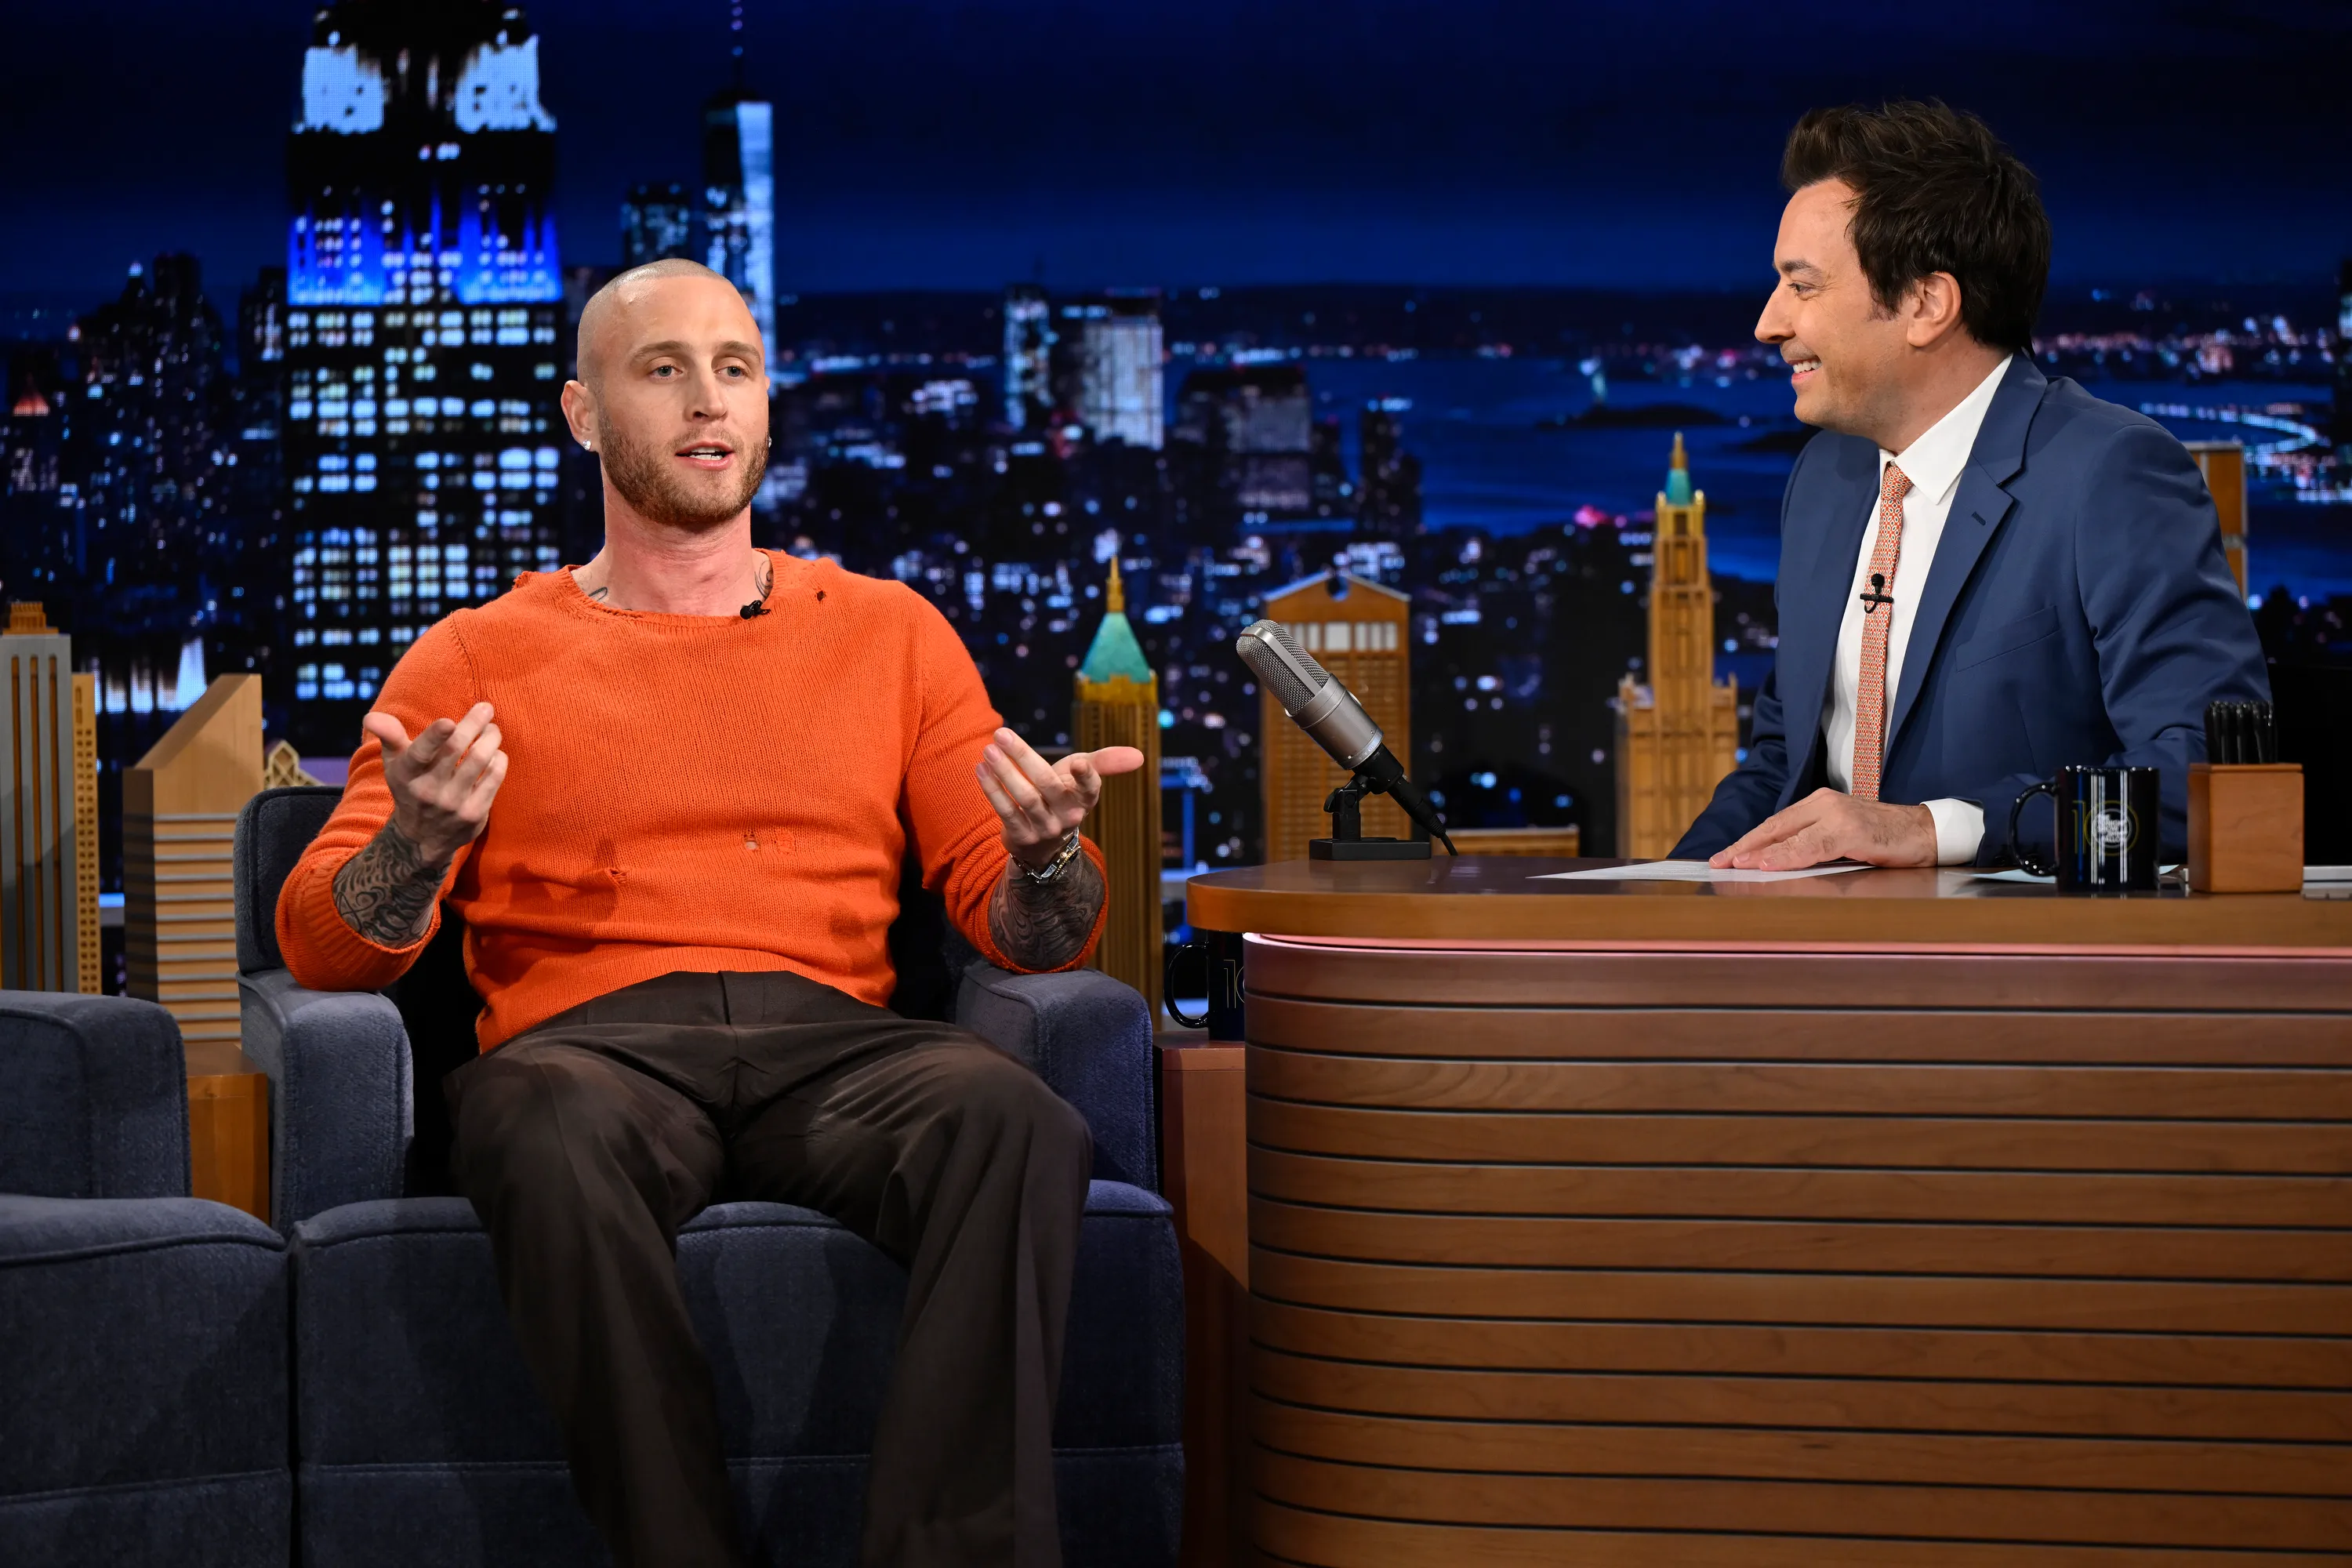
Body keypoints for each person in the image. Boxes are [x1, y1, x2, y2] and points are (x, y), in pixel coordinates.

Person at [275, 257, 1144, 1568]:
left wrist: (1043, 861)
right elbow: (319, 944)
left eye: (734, 368)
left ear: (768, 407)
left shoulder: (892, 632)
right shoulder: (475, 653)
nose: (706, 400)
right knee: (540, 1117)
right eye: (663, 368)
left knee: (1016, 1120)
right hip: (593, 1052)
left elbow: (1039, 936)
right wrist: (420, 837)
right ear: (583, 415)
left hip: (837, 1047)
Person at [1674, 101, 2267, 870]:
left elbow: (2207, 775)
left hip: (2028, 968)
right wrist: (1660, 896)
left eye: (1803, 285)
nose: (1767, 321)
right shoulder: (1825, 475)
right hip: (1827, 955)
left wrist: (1929, 829)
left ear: (1926, 304)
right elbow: (1784, 762)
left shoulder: (2111, 473)